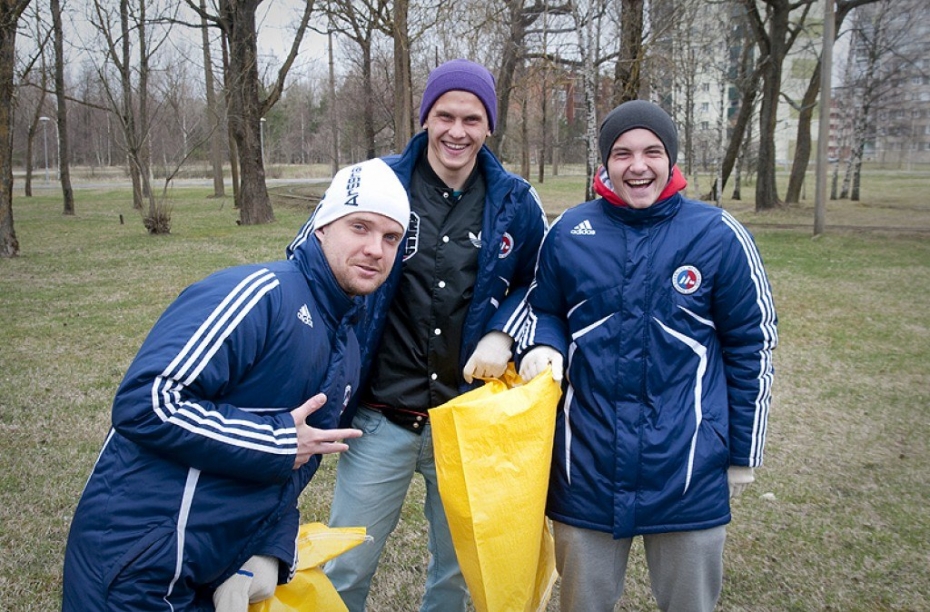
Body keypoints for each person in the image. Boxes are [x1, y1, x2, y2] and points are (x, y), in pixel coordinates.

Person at [61, 159, 411, 612]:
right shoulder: (260, 295)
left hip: (215, 570)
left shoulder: (348, 347)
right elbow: (145, 402)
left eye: (391, 238)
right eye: (359, 227)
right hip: (136, 564)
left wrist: (271, 551)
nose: (375, 249)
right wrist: (279, 439)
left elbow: (298, 467)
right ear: (322, 227)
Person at [516, 99, 778, 612]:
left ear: (671, 159)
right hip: (584, 469)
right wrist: (545, 343)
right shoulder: (569, 232)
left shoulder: (717, 234)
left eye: (652, 152)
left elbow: (752, 344)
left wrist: (742, 451)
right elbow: (542, 308)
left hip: (688, 471)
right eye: (622, 153)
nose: (638, 166)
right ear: (605, 165)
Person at [322, 58, 548, 612]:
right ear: (425, 116)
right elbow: (314, 261)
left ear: (489, 125)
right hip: (380, 417)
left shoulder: (517, 201)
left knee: (455, 574)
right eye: (444, 115)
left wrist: (502, 332)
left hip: (466, 423)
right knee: (344, 565)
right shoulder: (376, 181)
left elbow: (540, 286)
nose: (456, 131)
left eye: (472, 119)